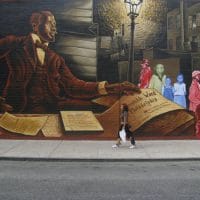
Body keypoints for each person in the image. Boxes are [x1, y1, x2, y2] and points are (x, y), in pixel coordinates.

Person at [0, 11, 139, 113]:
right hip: (18, 108)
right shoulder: (15, 43)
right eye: (50, 23)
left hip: (53, 107)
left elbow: (74, 86)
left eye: (56, 24)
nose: (55, 28)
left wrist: (111, 88)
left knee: (103, 106)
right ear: (35, 26)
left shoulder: (55, 58)